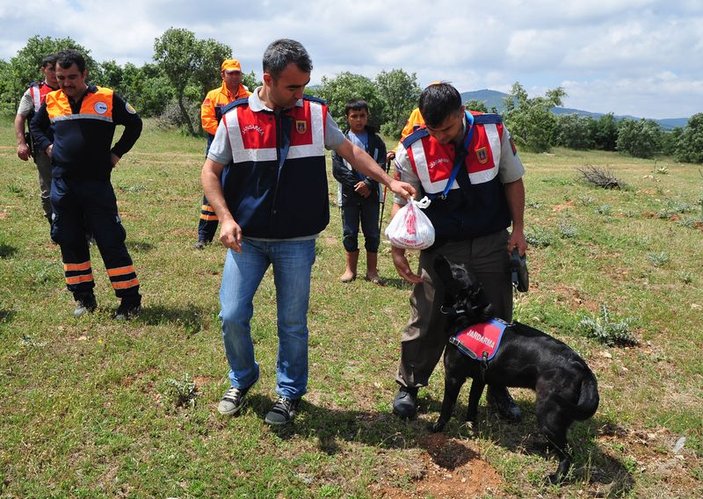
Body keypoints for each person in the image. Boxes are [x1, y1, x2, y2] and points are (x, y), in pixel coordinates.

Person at [201, 39, 415, 425]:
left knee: (292, 321)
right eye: (292, 87)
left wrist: (388, 181)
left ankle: (288, 392)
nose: (300, 94)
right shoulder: (234, 117)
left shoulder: (315, 114)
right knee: (232, 313)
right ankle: (243, 378)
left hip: (297, 240)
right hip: (246, 239)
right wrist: (225, 217)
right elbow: (210, 171)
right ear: (267, 79)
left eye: (304, 85)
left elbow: (352, 152)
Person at [389, 82, 527, 421]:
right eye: (433, 130)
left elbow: (512, 180)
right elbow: (401, 203)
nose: (440, 137)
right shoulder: (413, 149)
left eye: (447, 128)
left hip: (491, 241)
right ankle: (409, 384)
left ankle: (497, 386)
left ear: (461, 112)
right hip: (441, 249)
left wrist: (519, 229)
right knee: (427, 316)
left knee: (496, 317)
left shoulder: (493, 131)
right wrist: (398, 248)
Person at [30, 49, 143, 319]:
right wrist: (47, 147)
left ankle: (130, 301)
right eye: (61, 78)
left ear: (84, 74)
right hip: (63, 185)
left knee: (110, 240)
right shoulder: (51, 100)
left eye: (71, 77)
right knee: (69, 240)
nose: (66, 83)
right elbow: (35, 127)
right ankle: (84, 298)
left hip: (96, 185)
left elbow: (134, 124)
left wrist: (116, 154)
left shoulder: (107, 97)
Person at [194, 58, 251, 249]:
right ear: (223, 75)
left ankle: (245, 233)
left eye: (237, 73)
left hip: (242, 150)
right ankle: (204, 237)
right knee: (212, 191)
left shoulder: (249, 97)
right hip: (217, 149)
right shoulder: (213, 96)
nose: (234, 76)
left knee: (242, 189)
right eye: (230, 73)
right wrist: (229, 134)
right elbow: (207, 121)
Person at [332, 99, 387, 284]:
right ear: (347, 118)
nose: (358, 120)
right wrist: (357, 184)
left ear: (367, 116)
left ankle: (372, 271)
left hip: (371, 195)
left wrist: (369, 184)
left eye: (362, 115)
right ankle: (350, 270)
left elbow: (381, 165)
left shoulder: (376, 141)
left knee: (372, 232)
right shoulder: (340, 140)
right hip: (349, 195)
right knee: (350, 232)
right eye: (354, 116)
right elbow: (338, 169)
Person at [14, 54, 59, 226]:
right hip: (42, 148)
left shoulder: (69, 87)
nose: (55, 73)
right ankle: (54, 225)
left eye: (58, 69)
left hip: (68, 146)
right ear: (43, 70)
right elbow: (20, 117)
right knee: (48, 187)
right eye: (51, 69)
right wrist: (21, 143)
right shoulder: (33, 92)